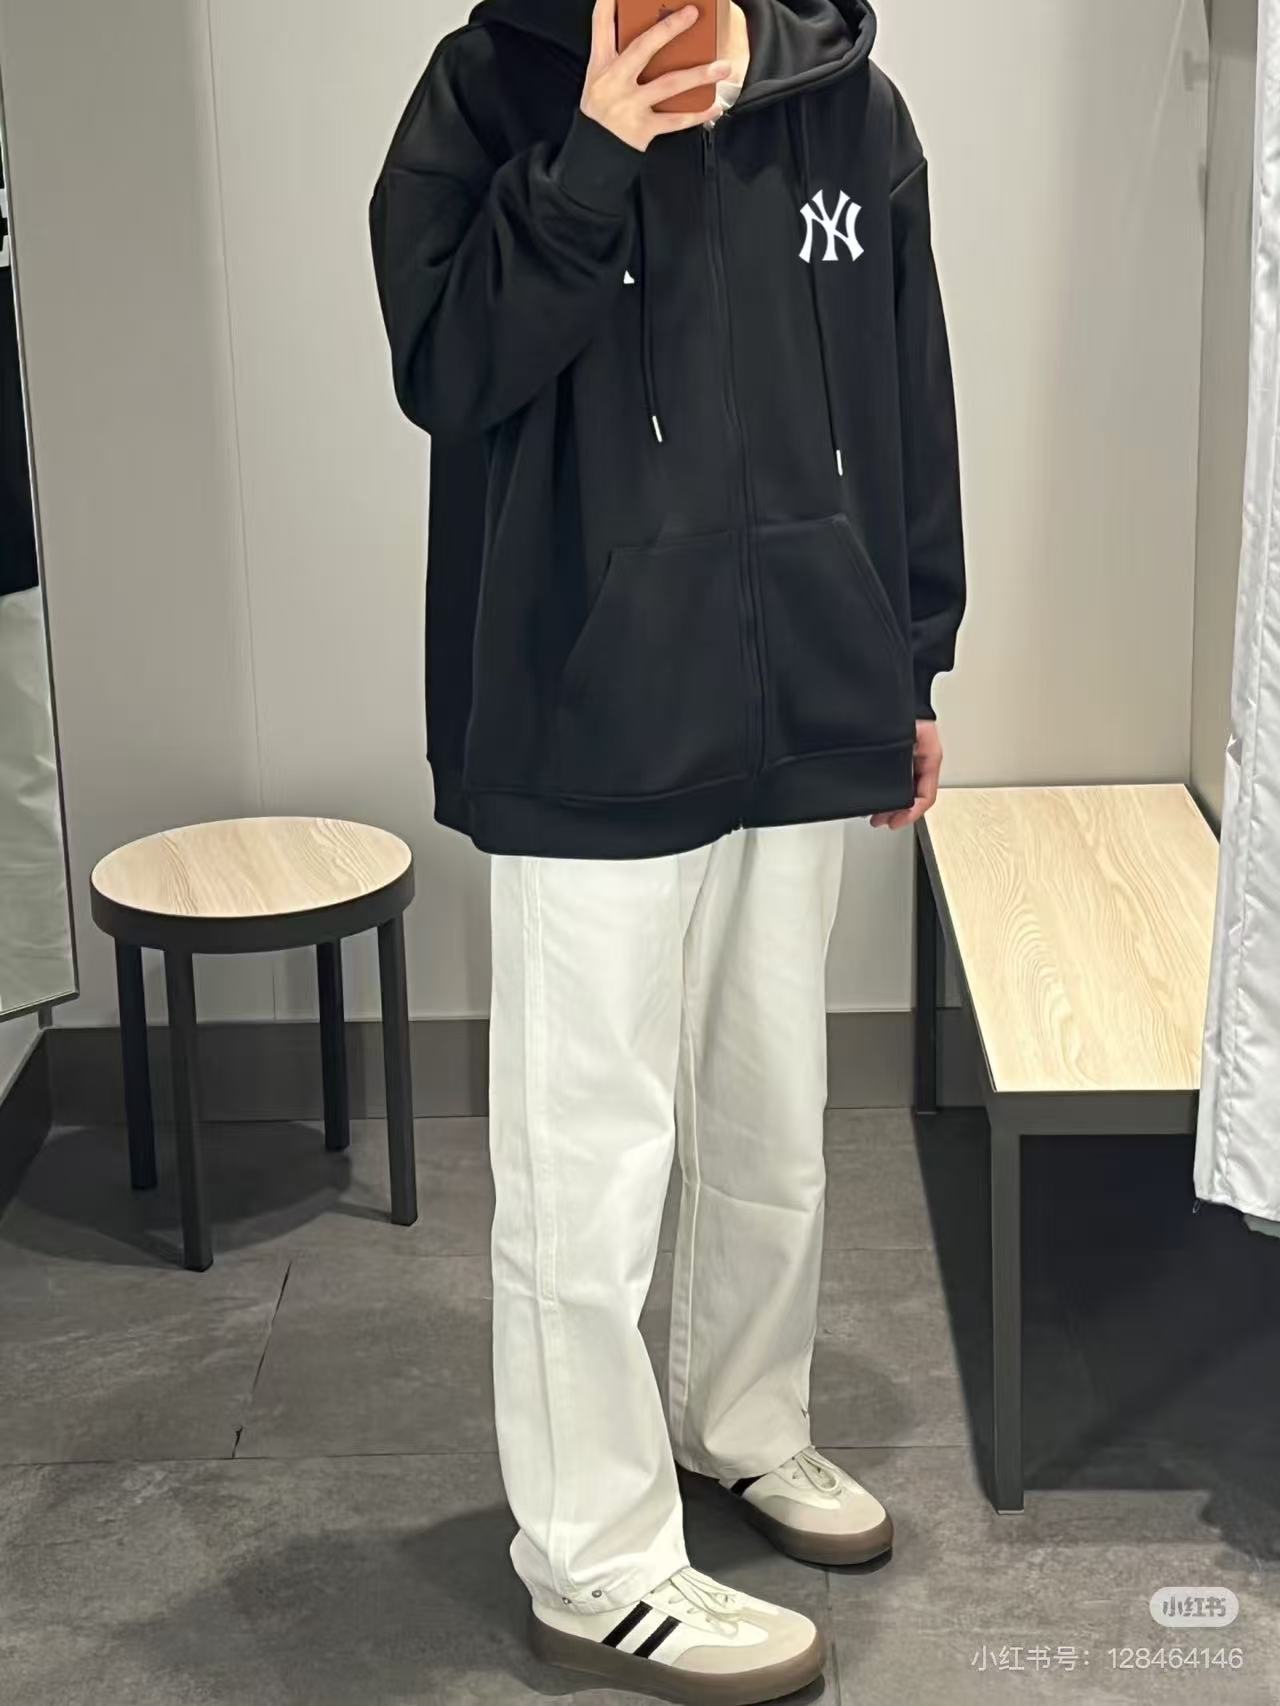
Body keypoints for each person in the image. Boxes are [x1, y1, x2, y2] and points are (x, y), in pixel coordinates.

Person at [371, 0, 965, 1698]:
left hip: (807, 693)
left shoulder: (852, 107)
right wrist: (592, 160)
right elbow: (446, 369)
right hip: (590, 711)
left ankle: (741, 1423)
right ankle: (594, 1556)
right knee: (590, 1155)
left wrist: (912, 659)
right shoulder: (487, 90)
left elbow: (908, 390)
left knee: (772, 1114)